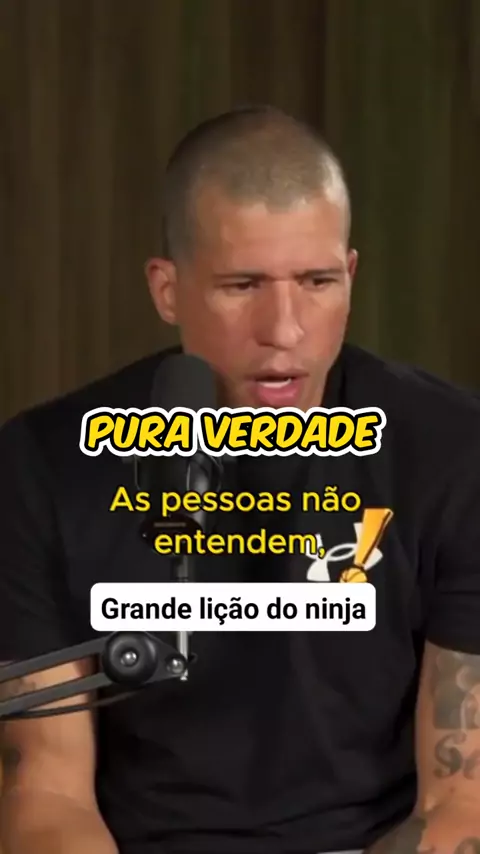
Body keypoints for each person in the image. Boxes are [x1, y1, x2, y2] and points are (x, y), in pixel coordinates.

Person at [1, 104, 480, 854]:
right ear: (168, 289)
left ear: (351, 276)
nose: (284, 330)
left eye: (317, 281)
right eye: (242, 285)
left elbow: (461, 800)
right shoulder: (42, 463)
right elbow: (47, 792)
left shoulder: (453, 450)